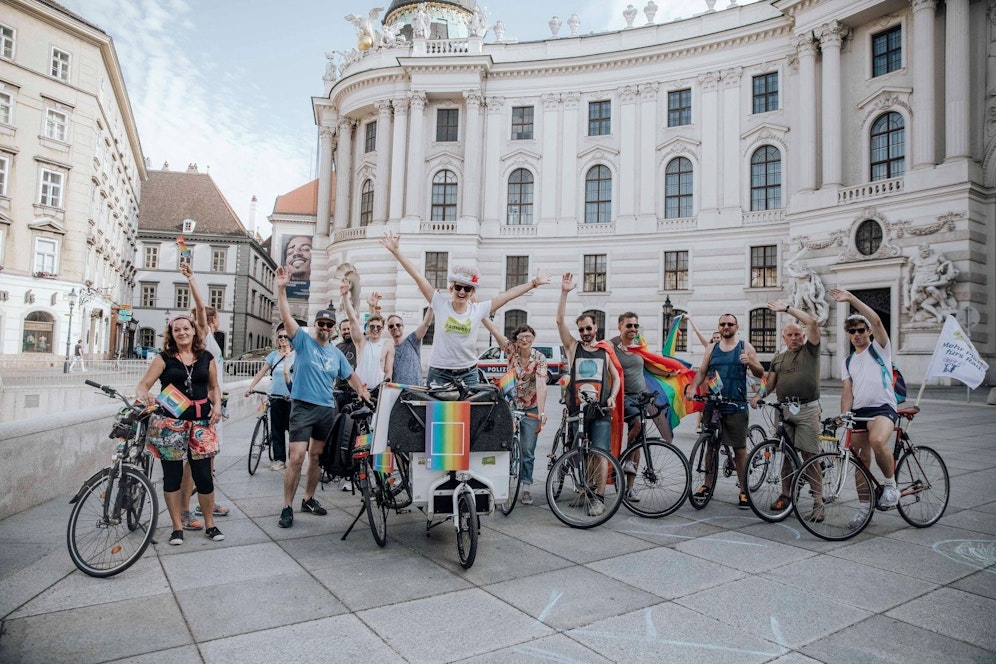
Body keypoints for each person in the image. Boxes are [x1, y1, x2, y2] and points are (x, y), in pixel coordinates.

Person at [380, 231, 549, 387]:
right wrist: (396, 252)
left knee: (470, 417)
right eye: (459, 287)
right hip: (439, 371)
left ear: (472, 292)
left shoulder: (478, 309)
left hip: (468, 372)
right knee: (436, 417)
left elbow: (507, 295)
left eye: (467, 289)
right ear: (452, 288)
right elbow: (418, 277)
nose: (462, 292)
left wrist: (533, 283)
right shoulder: (440, 304)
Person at [276, 265, 370, 528]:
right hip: (303, 407)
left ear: (332, 329)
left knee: (316, 456)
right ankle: (287, 506)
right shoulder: (303, 341)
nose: (325, 327)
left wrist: (362, 390)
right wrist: (281, 289)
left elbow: (350, 375)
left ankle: (308, 499)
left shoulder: (336, 354)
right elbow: (286, 319)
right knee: (296, 457)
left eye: (329, 324)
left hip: (325, 410)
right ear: (315, 325)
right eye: (321, 323)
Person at [136, 313, 224, 545]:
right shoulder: (163, 359)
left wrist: (217, 406)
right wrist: (144, 396)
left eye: (186, 328)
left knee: (204, 477)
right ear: (171, 334)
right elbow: (143, 385)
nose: (182, 333)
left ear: (194, 331)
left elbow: (214, 387)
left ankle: (210, 524)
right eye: (177, 330)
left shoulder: (207, 358)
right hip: (170, 425)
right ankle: (177, 527)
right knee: (172, 477)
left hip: (201, 424)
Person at [830, 287, 900, 525]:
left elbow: (878, 320)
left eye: (861, 330)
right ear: (849, 335)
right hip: (860, 412)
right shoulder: (848, 361)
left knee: (878, 441)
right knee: (860, 463)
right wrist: (844, 414)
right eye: (852, 331)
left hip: (883, 408)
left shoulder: (880, 349)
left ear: (868, 331)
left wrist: (850, 298)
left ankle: (891, 486)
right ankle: (864, 508)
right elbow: (847, 391)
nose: (857, 334)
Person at [750, 300, 824, 520]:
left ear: (803, 337)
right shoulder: (778, 358)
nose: (794, 338)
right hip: (783, 410)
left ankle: (818, 501)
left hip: (807, 409)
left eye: (797, 335)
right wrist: (758, 395)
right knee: (785, 455)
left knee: (810, 454)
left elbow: (812, 322)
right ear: (783, 338)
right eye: (790, 335)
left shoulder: (811, 351)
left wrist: (787, 309)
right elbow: (769, 383)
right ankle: (786, 494)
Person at [556, 273, 621, 517]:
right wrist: (564, 292)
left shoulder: (605, 352)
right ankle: (585, 490)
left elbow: (616, 377)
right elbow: (559, 321)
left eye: (588, 328)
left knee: (600, 452)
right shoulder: (574, 348)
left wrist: (613, 396)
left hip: (601, 409)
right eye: (581, 329)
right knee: (580, 452)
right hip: (578, 410)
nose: (584, 332)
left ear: (596, 328)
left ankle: (599, 498)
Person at [686, 313, 765, 509]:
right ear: (719, 327)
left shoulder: (745, 347)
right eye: (723, 324)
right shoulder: (712, 348)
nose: (726, 326)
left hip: (735, 404)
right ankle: (707, 485)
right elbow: (703, 371)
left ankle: (744, 489)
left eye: (730, 324)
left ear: (737, 327)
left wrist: (751, 363)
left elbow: (760, 373)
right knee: (710, 445)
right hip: (714, 403)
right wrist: (692, 387)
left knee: (739, 449)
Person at [178, 263, 230, 528]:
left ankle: (204, 502)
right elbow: (199, 309)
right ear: (211, 322)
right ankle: (186, 510)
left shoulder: (209, 345)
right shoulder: (205, 336)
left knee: (207, 459)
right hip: (204, 408)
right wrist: (191, 279)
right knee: (195, 460)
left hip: (213, 406)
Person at [482, 319, 547, 506]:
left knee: (528, 450)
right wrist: (483, 313)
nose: (525, 340)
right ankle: (501, 484)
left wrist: (541, 413)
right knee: (504, 446)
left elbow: (542, 385)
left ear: (533, 338)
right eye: (521, 337)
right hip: (510, 405)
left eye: (528, 336)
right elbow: (495, 331)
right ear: (516, 341)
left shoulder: (540, 359)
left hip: (531, 407)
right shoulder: (512, 352)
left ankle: (525, 487)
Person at [246, 327, 294, 471]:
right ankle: (279, 459)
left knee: (293, 430)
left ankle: (294, 460)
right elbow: (262, 371)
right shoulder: (273, 355)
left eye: (286, 336)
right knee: (277, 430)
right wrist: (251, 386)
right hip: (275, 396)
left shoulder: (297, 355)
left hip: (292, 398)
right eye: (280, 337)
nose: (283, 339)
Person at [340, 280, 393, 389]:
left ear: (383, 328)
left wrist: (385, 390)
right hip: (359, 391)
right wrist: (345, 296)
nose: (375, 330)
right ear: (367, 327)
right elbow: (352, 319)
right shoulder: (361, 341)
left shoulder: (388, 345)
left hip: (378, 391)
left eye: (378, 327)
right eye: (372, 327)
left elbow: (388, 372)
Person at [906, 243, 958, 323]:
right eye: (924, 251)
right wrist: (908, 278)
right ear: (920, 251)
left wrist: (943, 265)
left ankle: (942, 305)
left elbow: (947, 262)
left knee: (930, 289)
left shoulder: (936, 255)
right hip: (918, 279)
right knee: (913, 300)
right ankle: (913, 316)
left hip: (932, 278)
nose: (926, 253)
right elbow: (909, 269)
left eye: (927, 251)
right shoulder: (914, 258)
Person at [387, 308, 434, 386]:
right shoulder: (389, 348)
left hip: (416, 390)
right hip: (398, 392)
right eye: (391, 326)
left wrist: (432, 303)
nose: (395, 327)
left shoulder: (412, 340)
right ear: (388, 329)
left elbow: (426, 324)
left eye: (398, 325)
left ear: (403, 326)